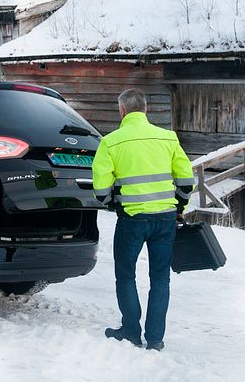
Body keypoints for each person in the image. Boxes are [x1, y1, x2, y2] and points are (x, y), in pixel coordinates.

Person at [92, 88, 194, 351]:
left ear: (122, 110)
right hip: (165, 219)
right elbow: (185, 180)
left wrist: (115, 202)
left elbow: (101, 192)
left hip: (132, 220)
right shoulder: (168, 138)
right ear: (146, 109)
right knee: (160, 278)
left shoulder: (110, 142)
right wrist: (179, 205)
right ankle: (156, 339)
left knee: (125, 275)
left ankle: (130, 331)